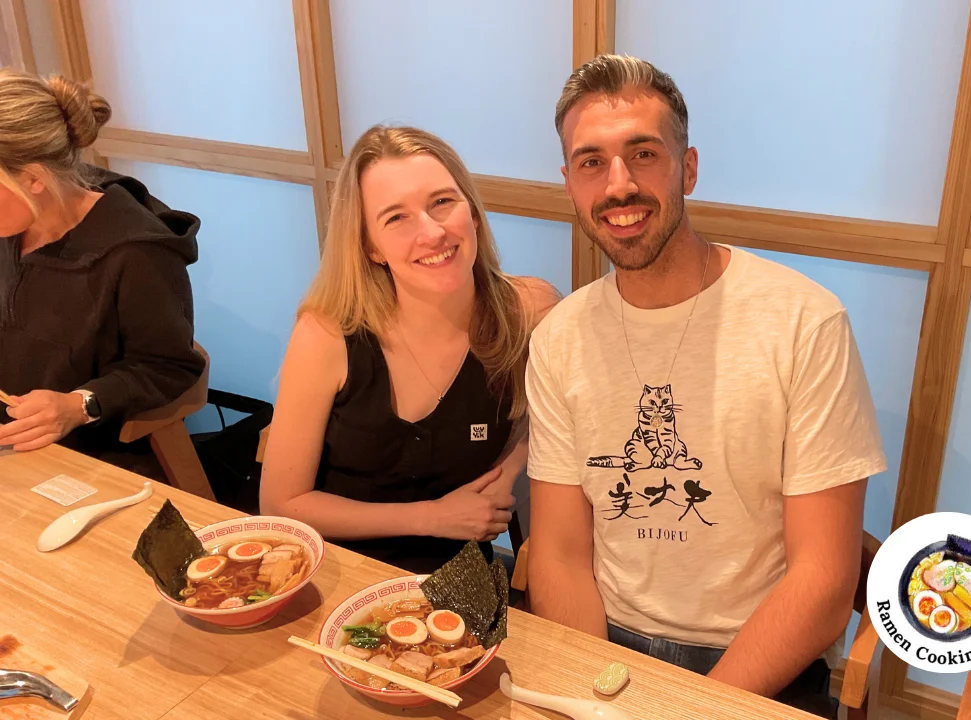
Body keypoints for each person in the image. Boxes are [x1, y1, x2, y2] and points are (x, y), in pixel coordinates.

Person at [525, 54, 887, 718]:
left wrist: (694, 709)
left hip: (758, 659)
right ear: (570, 184)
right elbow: (558, 552)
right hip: (608, 648)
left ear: (687, 167)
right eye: (592, 162)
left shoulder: (804, 322)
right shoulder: (560, 337)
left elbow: (825, 580)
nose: (620, 185)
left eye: (643, 153)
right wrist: (593, 689)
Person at [260, 125, 560, 575]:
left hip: (459, 582)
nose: (432, 232)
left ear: (473, 213)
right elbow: (283, 504)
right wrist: (433, 517)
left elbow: (561, 413)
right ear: (370, 246)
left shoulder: (529, 311)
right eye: (396, 218)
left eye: (442, 202)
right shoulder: (326, 334)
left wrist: (511, 469)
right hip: (336, 571)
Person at [0, 69, 205, 475]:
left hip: (80, 457)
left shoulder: (135, 252)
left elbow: (168, 366)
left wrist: (79, 405)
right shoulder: (12, 223)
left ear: (34, 180)